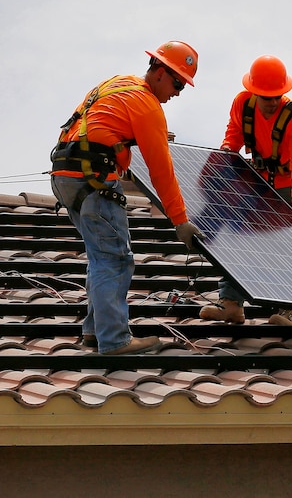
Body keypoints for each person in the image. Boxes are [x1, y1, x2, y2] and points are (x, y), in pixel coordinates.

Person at [50, 41, 204, 354]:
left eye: (183, 86)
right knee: (115, 258)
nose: (177, 92)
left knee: (100, 255)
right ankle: (114, 339)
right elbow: (162, 173)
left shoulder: (120, 83)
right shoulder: (147, 106)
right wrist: (180, 221)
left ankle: (95, 331)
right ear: (159, 72)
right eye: (177, 83)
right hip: (94, 180)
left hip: (65, 174)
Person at [199, 55, 292, 326]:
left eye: (277, 96)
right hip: (260, 181)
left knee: (287, 243)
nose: (273, 102)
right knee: (237, 236)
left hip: (290, 185)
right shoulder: (242, 104)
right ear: (253, 92)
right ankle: (230, 304)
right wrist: (225, 157)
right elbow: (233, 135)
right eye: (267, 97)